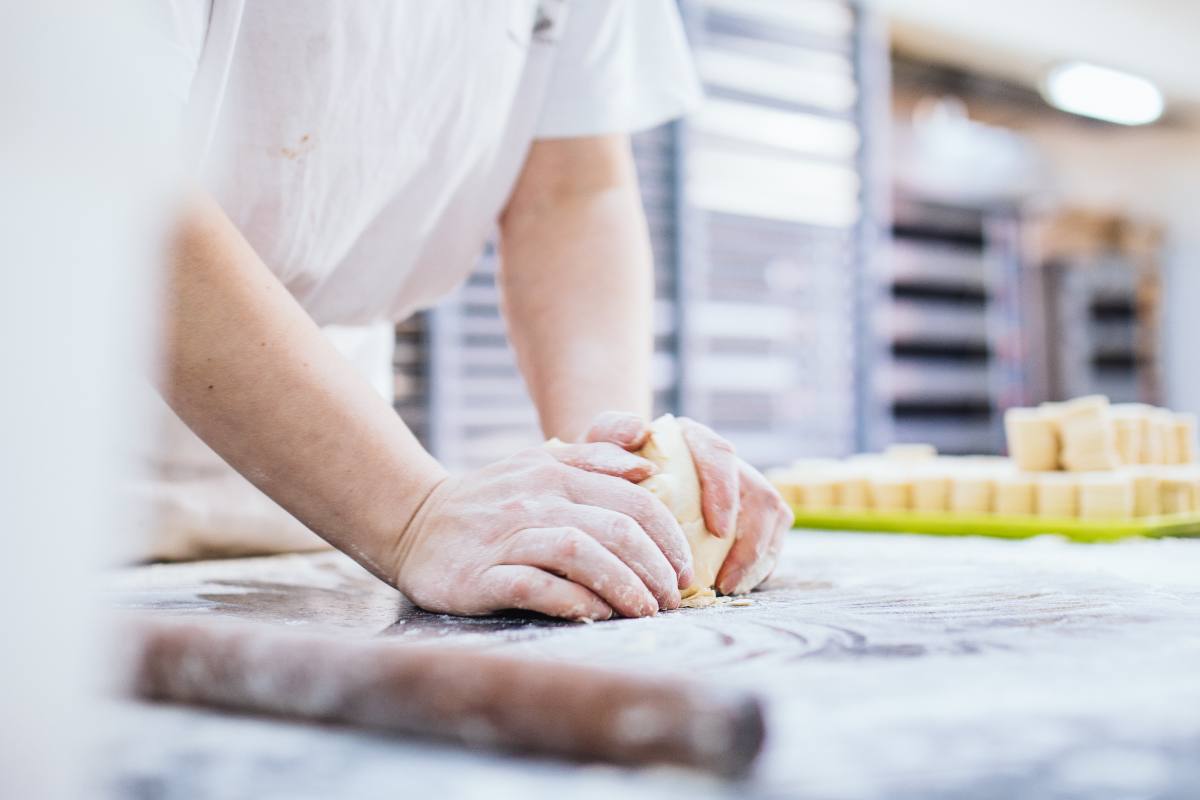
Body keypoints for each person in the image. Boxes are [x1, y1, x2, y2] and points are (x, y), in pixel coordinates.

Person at [152, 0, 792, 621]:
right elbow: (115, 186)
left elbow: (571, 191)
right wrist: (407, 512)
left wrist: (625, 483)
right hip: (83, 475)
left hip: (318, 498)